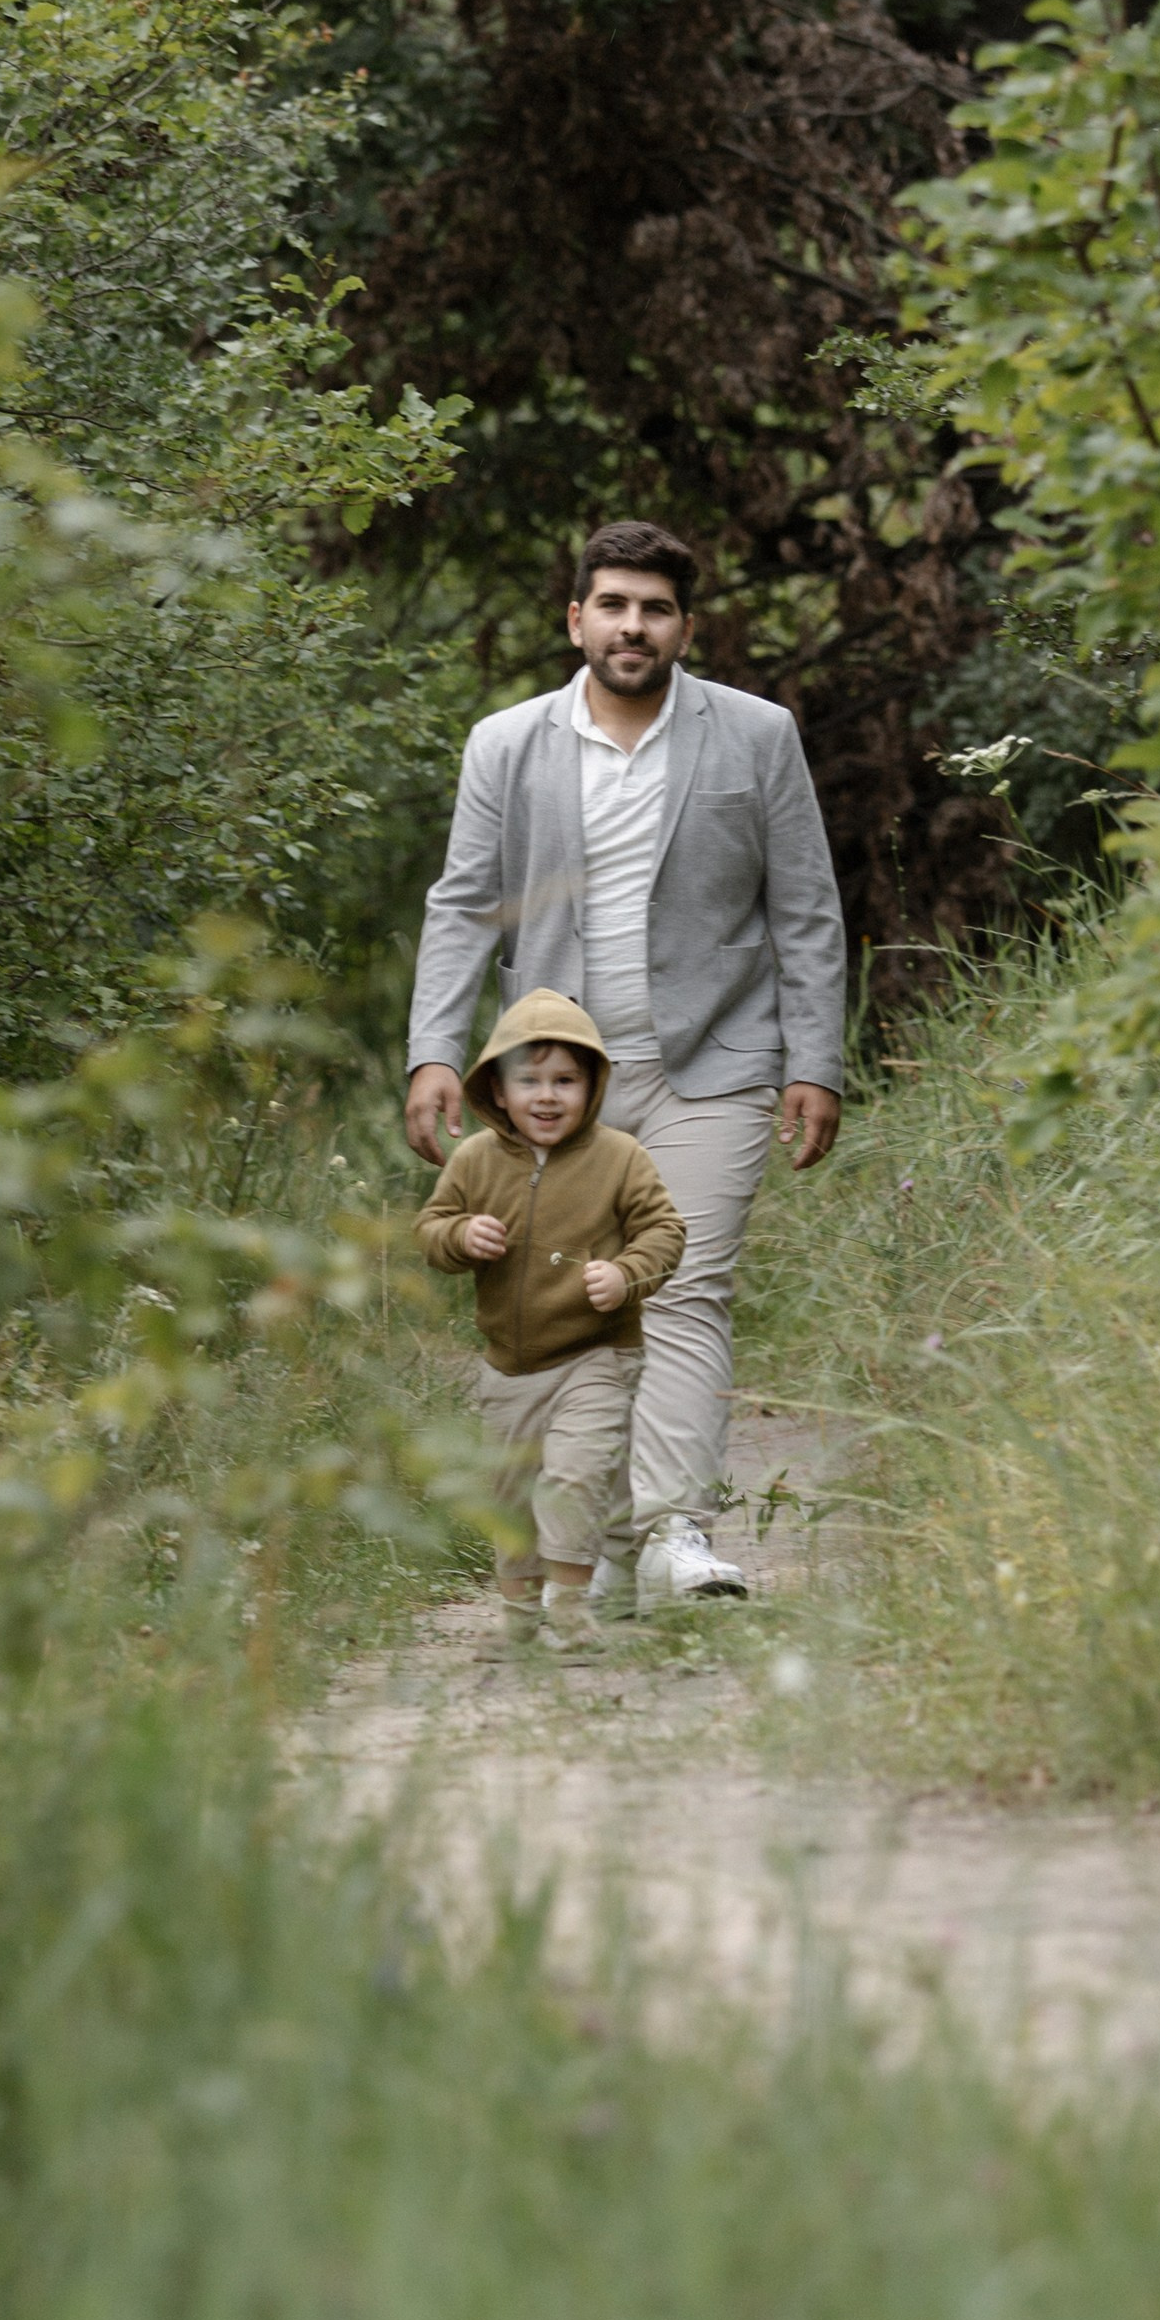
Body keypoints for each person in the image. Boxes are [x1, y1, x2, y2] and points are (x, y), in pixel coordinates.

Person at [406, 518, 847, 1610]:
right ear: (576, 619)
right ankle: (589, 1538)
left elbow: (804, 908)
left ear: (684, 627)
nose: (631, 625)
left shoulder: (755, 735)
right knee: (571, 1301)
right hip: (558, 1087)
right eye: (611, 604)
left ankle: (676, 1534)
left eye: (653, 608)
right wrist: (433, 1052)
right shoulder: (505, 744)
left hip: (716, 1061)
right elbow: (463, 906)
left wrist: (815, 1060)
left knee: (684, 1284)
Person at [416, 990, 686, 1653]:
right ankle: (519, 1617)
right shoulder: (474, 1160)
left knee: (573, 1473)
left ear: (592, 1086)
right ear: (496, 1091)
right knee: (507, 1492)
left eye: (565, 1080)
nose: (546, 1096)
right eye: (528, 1080)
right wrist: (459, 1235)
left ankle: (569, 1607)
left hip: (595, 1355)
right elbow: (430, 1228)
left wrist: (626, 1274)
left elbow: (664, 1230)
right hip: (507, 1367)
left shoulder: (618, 1157)